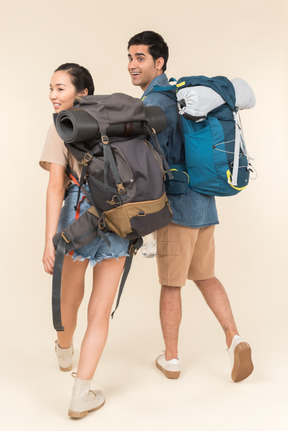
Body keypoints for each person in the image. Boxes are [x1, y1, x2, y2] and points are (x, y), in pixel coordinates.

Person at [127, 31, 254, 383]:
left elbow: (153, 163)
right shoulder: (184, 96)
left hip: (178, 208)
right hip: (205, 202)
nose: (132, 65)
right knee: (206, 276)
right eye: (130, 57)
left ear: (159, 62)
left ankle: (171, 359)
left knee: (171, 284)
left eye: (140, 58)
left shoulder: (155, 102)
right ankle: (235, 337)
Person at [40, 63, 129, 418]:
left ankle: (64, 349)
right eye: (51, 88)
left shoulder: (60, 127)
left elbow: (55, 186)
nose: (52, 95)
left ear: (83, 93)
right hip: (120, 223)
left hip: (78, 221)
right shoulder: (121, 126)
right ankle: (82, 394)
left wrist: (49, 239)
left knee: (68, 299)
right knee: (99, 312)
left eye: (60, 88)